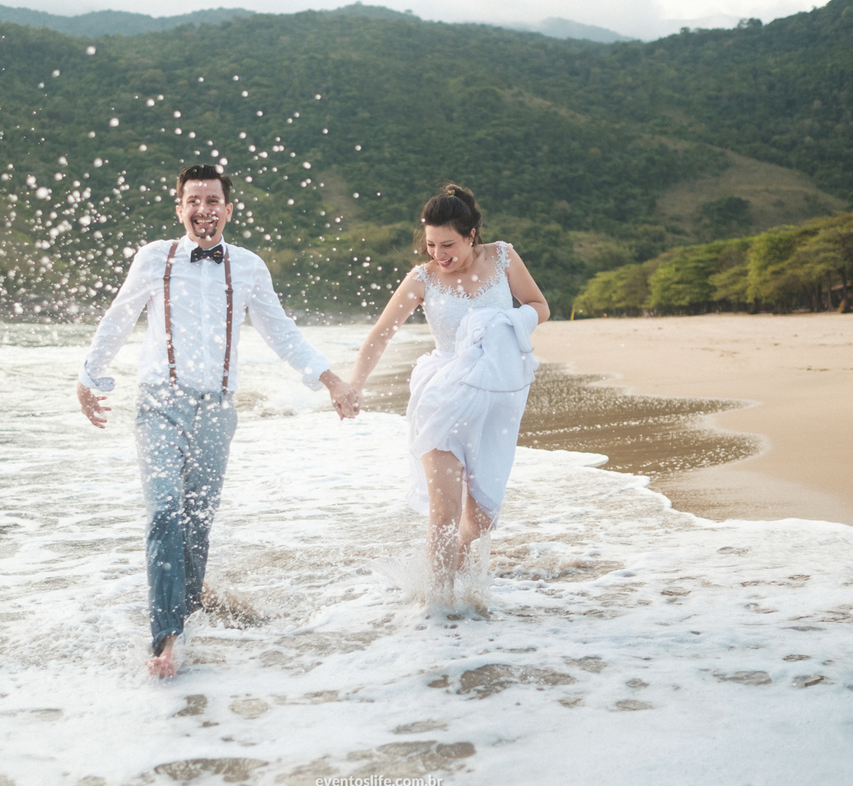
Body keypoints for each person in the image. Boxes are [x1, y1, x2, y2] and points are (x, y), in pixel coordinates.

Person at [76, 164, 359, 678]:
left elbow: (281, 332)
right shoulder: (154, 258)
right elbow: (119, 315)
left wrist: (330, 380)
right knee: (164, 511)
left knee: (196, 524)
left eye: (212, 201)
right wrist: (89, 375)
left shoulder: (249, 267)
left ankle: (186, 622)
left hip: (218, 412)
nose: (202, 210)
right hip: (160, 401)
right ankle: (164, 638)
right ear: (178, 208)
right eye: (193, 201)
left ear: (228, 210)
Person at [348, 184, 549, 603]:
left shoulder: (503, 257)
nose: (439, 254)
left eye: (449, 244)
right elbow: (381, 335)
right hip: (442, 396)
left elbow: (537, 305)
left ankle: (444, 580)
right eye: (431, 244)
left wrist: (501, 323)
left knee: (480, 520)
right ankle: (437, 608)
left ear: (472, 234)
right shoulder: (421, 278)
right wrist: (354, 385)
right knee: (444, 512)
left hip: (497, 397)